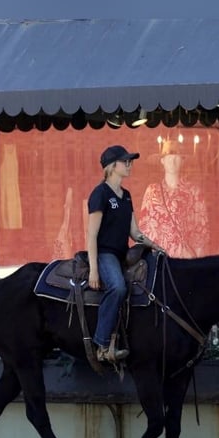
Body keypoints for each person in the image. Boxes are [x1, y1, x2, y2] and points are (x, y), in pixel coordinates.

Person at [87, 144, 164, 363]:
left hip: (123, 253)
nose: (130, 165)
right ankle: (101, 345)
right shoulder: (100, 194)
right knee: (118, 287)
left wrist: (154, 245)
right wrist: (94, 269)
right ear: (112, 167)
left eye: (130, 161)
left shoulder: (126, 195)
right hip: (104, 254)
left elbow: (134, 232)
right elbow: (91, 235)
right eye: (125, 161)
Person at [139, 139, 209, 257]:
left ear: (182, 160)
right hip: (160, 257)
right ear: (162, 160)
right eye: (168, 156)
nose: (172, 160)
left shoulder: (193, 192)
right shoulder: (152, 191)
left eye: (177, 156)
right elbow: (145, 226)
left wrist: (199, 263)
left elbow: (201, 230)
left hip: (184, 257)